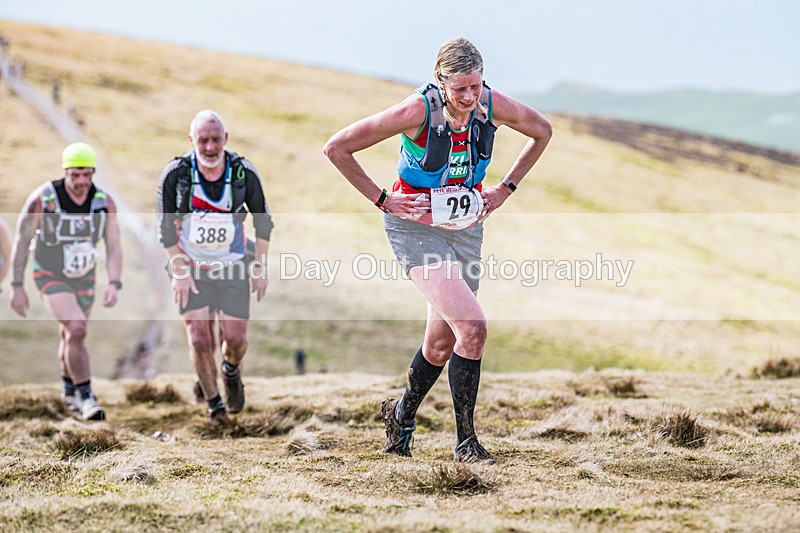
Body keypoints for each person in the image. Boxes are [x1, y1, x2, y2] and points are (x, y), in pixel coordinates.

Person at [324, 37, 552, 464]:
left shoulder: (490, 105)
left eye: (475, 87)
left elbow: (542, 132)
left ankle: (400, 414)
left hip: (465, 228)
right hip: (415, 230)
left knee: (440, 344)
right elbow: (337, 147)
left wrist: (506, 188)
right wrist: (382, 199)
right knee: (473, 328)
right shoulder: (416, 112)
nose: (469, 98)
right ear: (440, 81)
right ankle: (466, 443)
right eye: (459, 89)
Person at [157, 110, 273, 424]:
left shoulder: (242, 172)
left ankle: (230, 370)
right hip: (190, 265)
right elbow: (165, 231)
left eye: (215, 140)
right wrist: (179, 270)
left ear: (226, 139)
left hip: (233, 264)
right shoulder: (176, 174)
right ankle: (215, 408)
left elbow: (263, 223)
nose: (210, 147)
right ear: (191, 140)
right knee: (198, 338)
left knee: (233, 341)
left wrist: (259, 267)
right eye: (203, 140)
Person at [10, 142, 122, 421]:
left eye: (86, 174)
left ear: (93, 172)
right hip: (50, 274)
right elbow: (22, 241)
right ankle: (86, 397)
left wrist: (114, 282)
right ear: (65, 172)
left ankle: (68, 391)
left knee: (69, 335)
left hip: (84, 278)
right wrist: (16, 286)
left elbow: (114, 245)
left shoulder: (104, 202)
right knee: (77, 327)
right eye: (74, 175)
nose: (81, 181)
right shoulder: (44, 199)